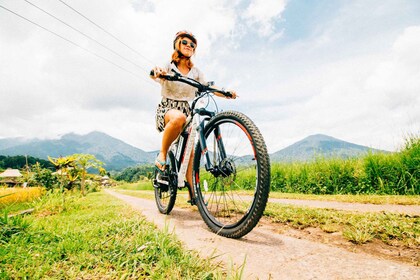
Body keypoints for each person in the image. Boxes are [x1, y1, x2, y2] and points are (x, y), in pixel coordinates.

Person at [150, 30, 237, 202]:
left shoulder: (196, 71)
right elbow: (154, 72)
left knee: (189, 152)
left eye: (192, 45)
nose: (189, 46)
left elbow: (207, 86)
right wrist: (157, 72)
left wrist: (225, 93)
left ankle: (193, 193)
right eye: (185, 42)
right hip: (168, 107)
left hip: (187, 110)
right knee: (178, 118)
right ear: (177, 44)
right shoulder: (168, 65)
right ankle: (162, 154)